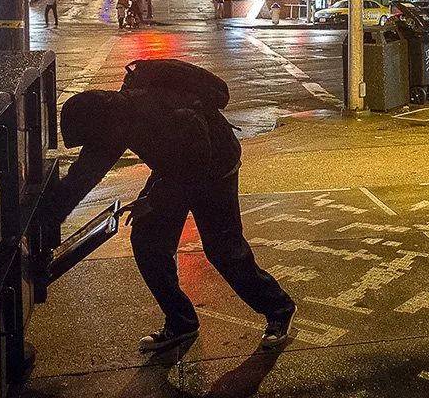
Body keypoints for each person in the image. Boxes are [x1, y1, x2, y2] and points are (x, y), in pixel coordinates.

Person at [47, 86, 296, 353]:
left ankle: (278, 308)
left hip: (215, 165)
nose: (93, 145)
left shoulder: (155, 112)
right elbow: (82, 177)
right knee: (148, 241)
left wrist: (153, 200)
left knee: (224, 250)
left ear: (100, 122)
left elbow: (193, 168)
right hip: (176, 168)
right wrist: (47, 220)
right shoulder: (112, 122)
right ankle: (181, 321)